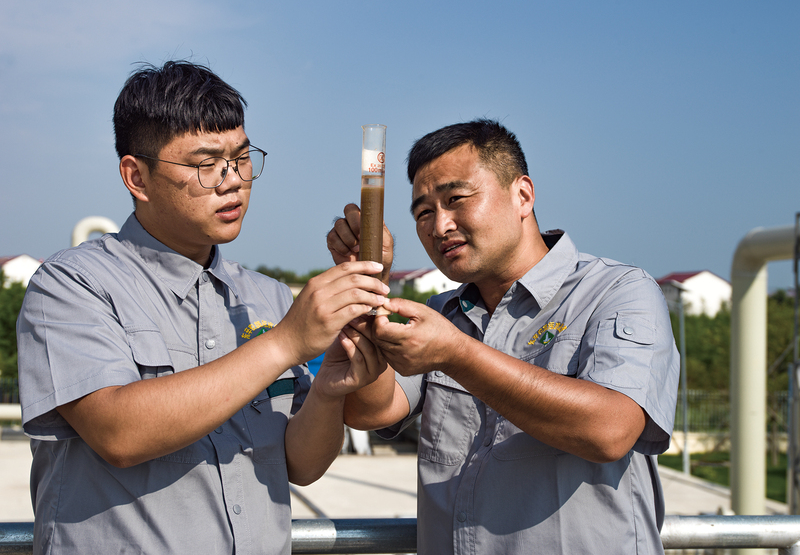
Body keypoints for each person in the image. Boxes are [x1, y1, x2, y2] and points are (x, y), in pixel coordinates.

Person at [16, 61, 389, 555]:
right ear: (137, 176)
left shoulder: (268, 297)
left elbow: (301, 466)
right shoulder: (72, 284)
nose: (232, 180)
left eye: (242, 157)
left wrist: (327, 391)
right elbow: (117, 433)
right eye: (205, 164)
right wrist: (284, 344)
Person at [327, 118, 680, 554]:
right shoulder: (442, 315)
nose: (439, 226)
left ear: (522, 195)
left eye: (456, 199)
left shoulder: (615, 292)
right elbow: (371, 410)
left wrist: (458, 355)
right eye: (423, 212)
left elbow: (610, 430)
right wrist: (369, 290)